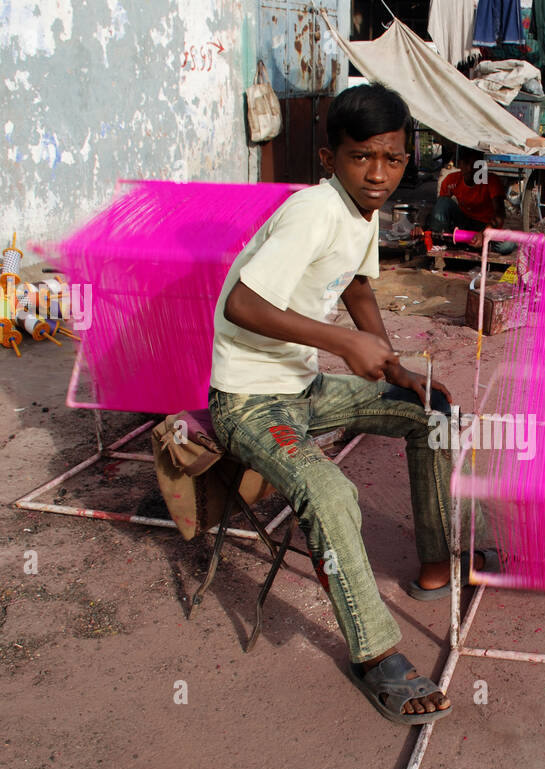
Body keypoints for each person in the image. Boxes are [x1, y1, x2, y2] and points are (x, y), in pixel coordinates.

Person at [209, 83, 476, 725]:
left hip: (302, 392)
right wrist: (342, 344)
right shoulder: (313, 210)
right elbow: (240, 304)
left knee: (431, 412)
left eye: (391, 158)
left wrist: (393, 365)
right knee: (329, 493)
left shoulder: (364, 209)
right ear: (331, 159)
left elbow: (356, 290)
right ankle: (375, 653)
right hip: (248, 403)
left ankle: (435, 562)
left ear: (408, 155)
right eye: (362, 158)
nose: (378, 173)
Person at [428, 147, 516, 253]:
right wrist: (427, 229)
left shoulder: (492, 181)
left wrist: (484, 233)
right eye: (466, 163)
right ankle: (435, 240)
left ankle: (474, 243)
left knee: (509, 244)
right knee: (443, 202)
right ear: (460, 164)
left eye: (474, 164)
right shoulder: (451, 180)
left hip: (486, 226)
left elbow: (500, 215)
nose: (470, 168)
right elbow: (440, 210)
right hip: (463, 224)